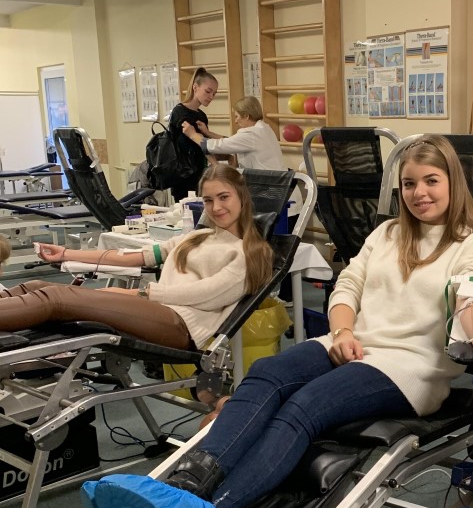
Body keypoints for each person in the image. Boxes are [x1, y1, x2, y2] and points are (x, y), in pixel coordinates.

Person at [89, 136, 473, 508]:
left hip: (409, 366)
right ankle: (184, 489)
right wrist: (344, 332)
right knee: (266, 373)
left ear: (453, 184)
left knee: (306, 405)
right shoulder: (387, 233)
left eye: (431, 181)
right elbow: (347, 286)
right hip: (350, 343)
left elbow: (472, 298)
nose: (419, 193)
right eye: (409, 183)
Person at [0, 165, 272, 351]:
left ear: (242, 197)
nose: (216, 207)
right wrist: (66, 253)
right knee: (36, 286)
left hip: (180, 323)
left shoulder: (249, 252)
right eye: (209, 200)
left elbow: (205, 294)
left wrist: (140, 294)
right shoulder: (198, 237)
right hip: (157, 308)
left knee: (57, 299)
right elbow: (135, 256)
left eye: (224, 197)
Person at [181, 95, 285, 172]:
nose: (235, 121)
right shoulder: (264, 128)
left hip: (268, 187)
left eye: (237, 116)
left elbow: (214, 146)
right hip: (279, 184)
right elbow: (232, 141)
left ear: (246, 116)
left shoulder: (252, 134)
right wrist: (208, 133)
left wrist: (193, 135)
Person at [167, 67, 218, 201]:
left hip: (199, 172)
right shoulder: (180, 112)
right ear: (195, 87)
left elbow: (205, 144)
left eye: (214, 93)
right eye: (208, 91)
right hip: (183, 174)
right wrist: (215, 164)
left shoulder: (201, 116)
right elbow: (198, 141)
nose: (211, 97)